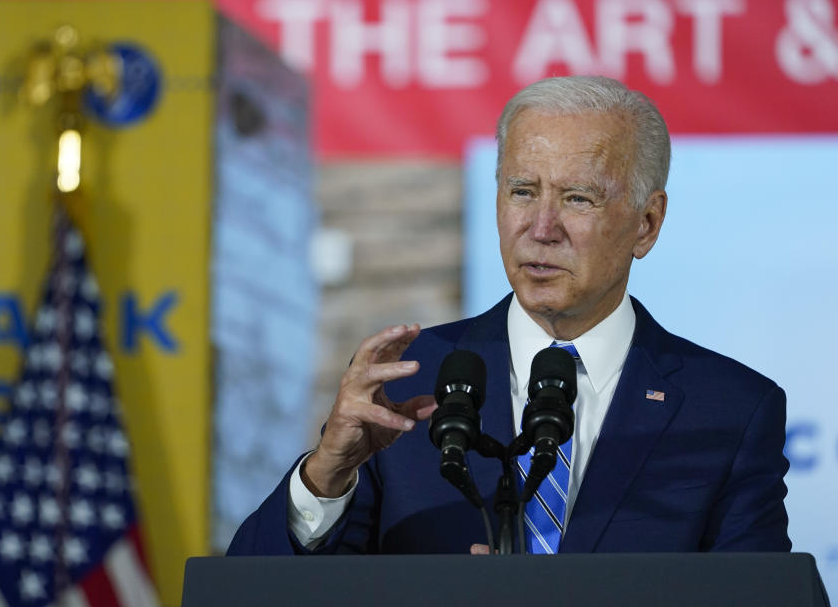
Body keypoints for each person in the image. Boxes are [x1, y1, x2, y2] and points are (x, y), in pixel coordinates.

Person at [227, 75, 790, 555]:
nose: (541, 228)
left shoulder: (731, 410)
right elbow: (256, 589)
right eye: (522, 191)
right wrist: (325, 476)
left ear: (646, 223)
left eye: (578, 198)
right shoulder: (410, 378)